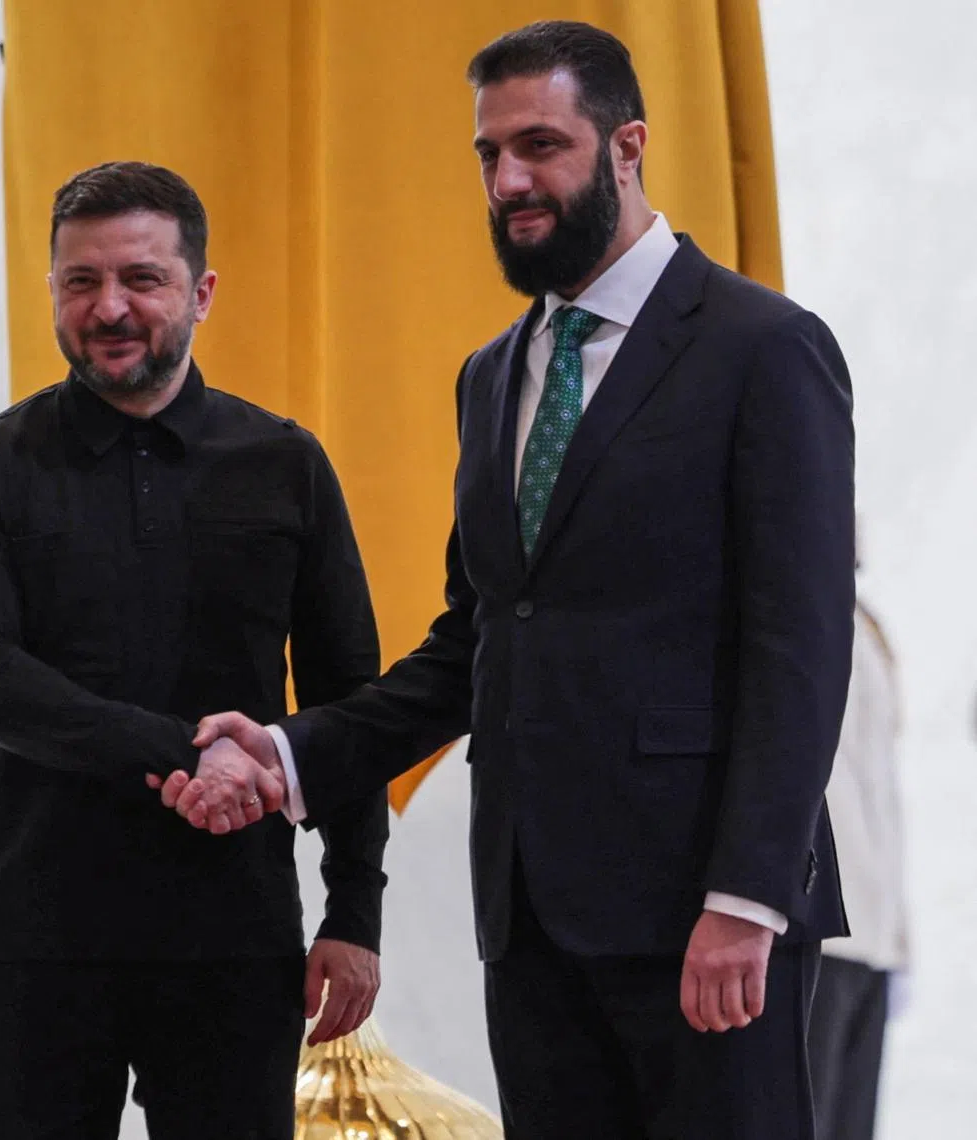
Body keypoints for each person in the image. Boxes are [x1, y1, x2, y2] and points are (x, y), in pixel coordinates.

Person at [154, 20, 855, 1139]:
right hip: (530, 922)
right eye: (489, 154)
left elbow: (801, 648)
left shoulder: (764, 347)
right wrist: (287, 753)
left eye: (540, 146)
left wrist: (747, 900)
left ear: (627, 146)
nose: (509, 181)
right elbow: (478, 640)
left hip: (704, 923)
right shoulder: (492, 376)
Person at [0, 161, 388, 1140]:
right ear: (52, 289)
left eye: (142, 278)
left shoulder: (285, 464)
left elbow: (348, 698)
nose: (109, 307)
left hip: (235, 940)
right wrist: (184, 751)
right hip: (31, 940)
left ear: (201, 292)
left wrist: (353, 913)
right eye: (81, 281)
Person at [808, 591, 911, 1140]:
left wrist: (900, 937)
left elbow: (881, 791)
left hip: (873, 936)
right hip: (818, 927)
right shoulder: (792, 604)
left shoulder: (864, 619)